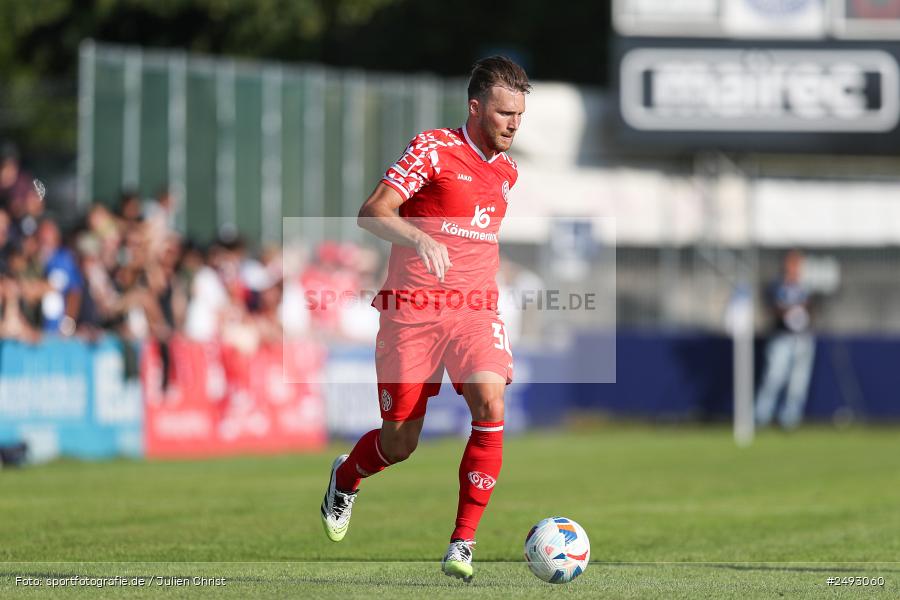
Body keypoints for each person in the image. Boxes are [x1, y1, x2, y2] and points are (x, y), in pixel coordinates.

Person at [320, 56, 530, 582]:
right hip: (411, 315)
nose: (512, 124)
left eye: (520, 116)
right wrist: (417, 236)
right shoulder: (433, 149)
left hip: (474, 312)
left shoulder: (508, 172)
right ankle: (346, 476)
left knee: (491, 399)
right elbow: (372, 212)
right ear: (475, 106)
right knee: (400, 443)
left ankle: (463, 543)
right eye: (504, 113)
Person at [755, 250, 817, 430]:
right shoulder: (776, 285)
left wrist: (803, 311)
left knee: (798, 382)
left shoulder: (805, 287)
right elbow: (771, 307)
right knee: (774, 377)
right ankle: (761, 416)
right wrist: (788, 311)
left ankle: (790, 419)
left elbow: (812, 309)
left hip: (802, 338)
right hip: (781, 338)